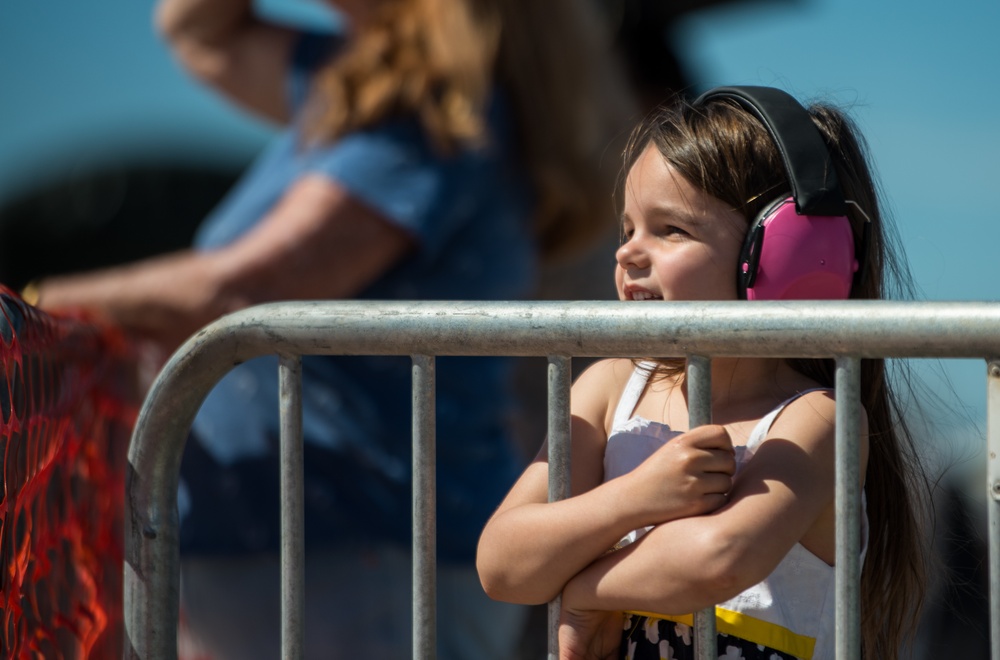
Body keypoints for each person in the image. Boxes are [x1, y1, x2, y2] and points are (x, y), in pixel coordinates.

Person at [31, 0, 635, 657]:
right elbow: (193, 28)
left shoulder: (424, 110)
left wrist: (33, 300)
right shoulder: (369, 88)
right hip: (319, 554)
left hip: (353, 558)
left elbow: (244, 286)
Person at [476, 87, 931, 659]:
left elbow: (719, 557)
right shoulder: (612, 387)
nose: (627, 254)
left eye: (670, 230)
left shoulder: (818, 420)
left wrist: (585, 590)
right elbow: (501, 562)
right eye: (627, 229)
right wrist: (634, 498)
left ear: (786, 256)